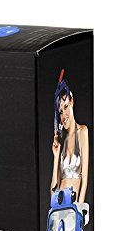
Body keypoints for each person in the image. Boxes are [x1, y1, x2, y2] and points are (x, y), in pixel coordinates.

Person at [50, 70, 89, 203]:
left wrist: (79, 209)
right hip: (58, 209)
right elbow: (53, 193)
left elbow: (84, 181)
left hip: (74, 208)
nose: (64, 114)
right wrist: (56, 157)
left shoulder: (82, 132)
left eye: (66, 106)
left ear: (72, 102)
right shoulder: (62, 141)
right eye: (60, 111)